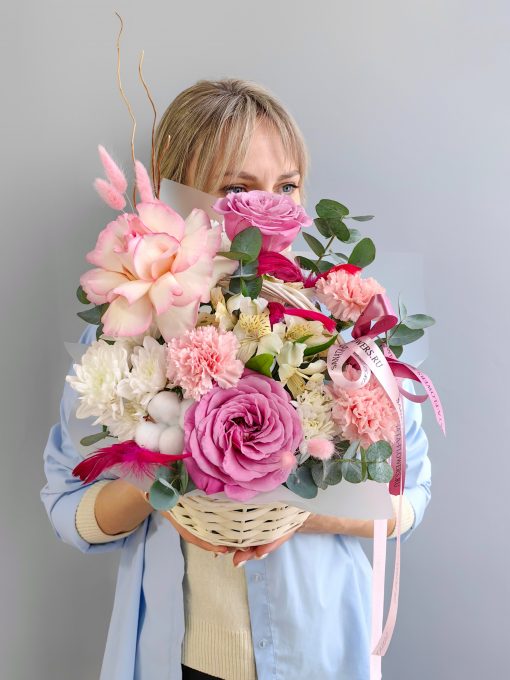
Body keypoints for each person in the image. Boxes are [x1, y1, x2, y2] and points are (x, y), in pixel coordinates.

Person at [40, 78, 431, 680]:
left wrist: (297, 510)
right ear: (177, 193)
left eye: (287, 186)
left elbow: (410, 497)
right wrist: (166, 482)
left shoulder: (346, 329)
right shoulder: (128, 335)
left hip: (321, 656)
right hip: (179, 659)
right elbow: (68, 509)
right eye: (237, 188)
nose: (270, 207)